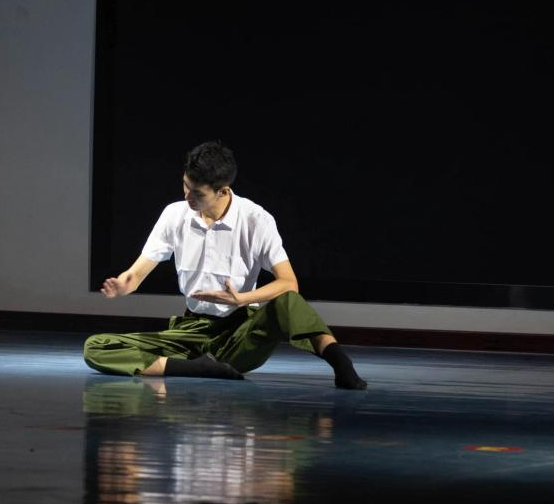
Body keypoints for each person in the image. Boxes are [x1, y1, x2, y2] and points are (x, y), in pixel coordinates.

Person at [83, 141, 367, 389]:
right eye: (185, 186)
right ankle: (195, 368)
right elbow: (136, 274)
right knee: (96, 347)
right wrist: (124, 283)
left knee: (289, 301)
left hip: (238, 334)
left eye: (197, 193)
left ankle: (341, 364)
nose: (188, 197)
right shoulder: (174, 215)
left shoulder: (255, 219)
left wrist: (242, 299)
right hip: (190, 331)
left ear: (223, 191)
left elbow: (288, 282)